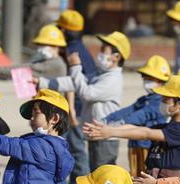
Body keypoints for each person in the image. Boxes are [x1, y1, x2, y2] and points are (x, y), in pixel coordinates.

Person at [39, 31, 128, 169]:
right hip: (96, 134)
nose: (101, 53)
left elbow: (87, 93)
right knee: (96, 174)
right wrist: (42, 82)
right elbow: (74, 82)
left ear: (116, 57)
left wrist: (75, 67)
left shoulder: (113, 79)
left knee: (103, 175)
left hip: (106, 137)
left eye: (104, 49)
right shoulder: (101, 74)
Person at [103, 54, 173, 177]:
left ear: (162, 80)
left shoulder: (161, 100)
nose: (146, 81)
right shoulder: (143, 99)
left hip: (149, 146)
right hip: (135, 144)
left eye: (150, 78)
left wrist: (121, 123)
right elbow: (127, 110)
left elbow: (143, 115)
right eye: (144, 78)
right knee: (136, 178)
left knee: (148, 177)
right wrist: (107, 119)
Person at [55, 8, 96, 184]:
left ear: (65, 31)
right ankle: (76, 182)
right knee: (74, 146)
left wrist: (71, 110)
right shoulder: (81, 47)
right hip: (80, 106)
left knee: (75, 146)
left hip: (76, 108)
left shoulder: (71, 51)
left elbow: (72, 82)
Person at [0, 24, 68, 82]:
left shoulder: (55, 64)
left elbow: (25, 69)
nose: (43, 48)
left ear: (58, 47)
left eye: (48, 45)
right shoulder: (46, 61)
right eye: (40, 44)